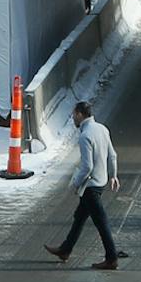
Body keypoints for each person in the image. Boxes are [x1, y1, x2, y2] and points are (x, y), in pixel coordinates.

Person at [43, 101, 121, 270]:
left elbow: (87, 166)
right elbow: (112, 155)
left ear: (79, 114)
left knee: (101, 222)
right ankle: (65, 249)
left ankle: (112, 257)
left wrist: (76, 183)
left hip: (90, 185)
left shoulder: (85, 136)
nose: (73, 119)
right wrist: (113, 175)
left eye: (73, 115)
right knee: (79, 217)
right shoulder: (102, 129)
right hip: (101, 181)